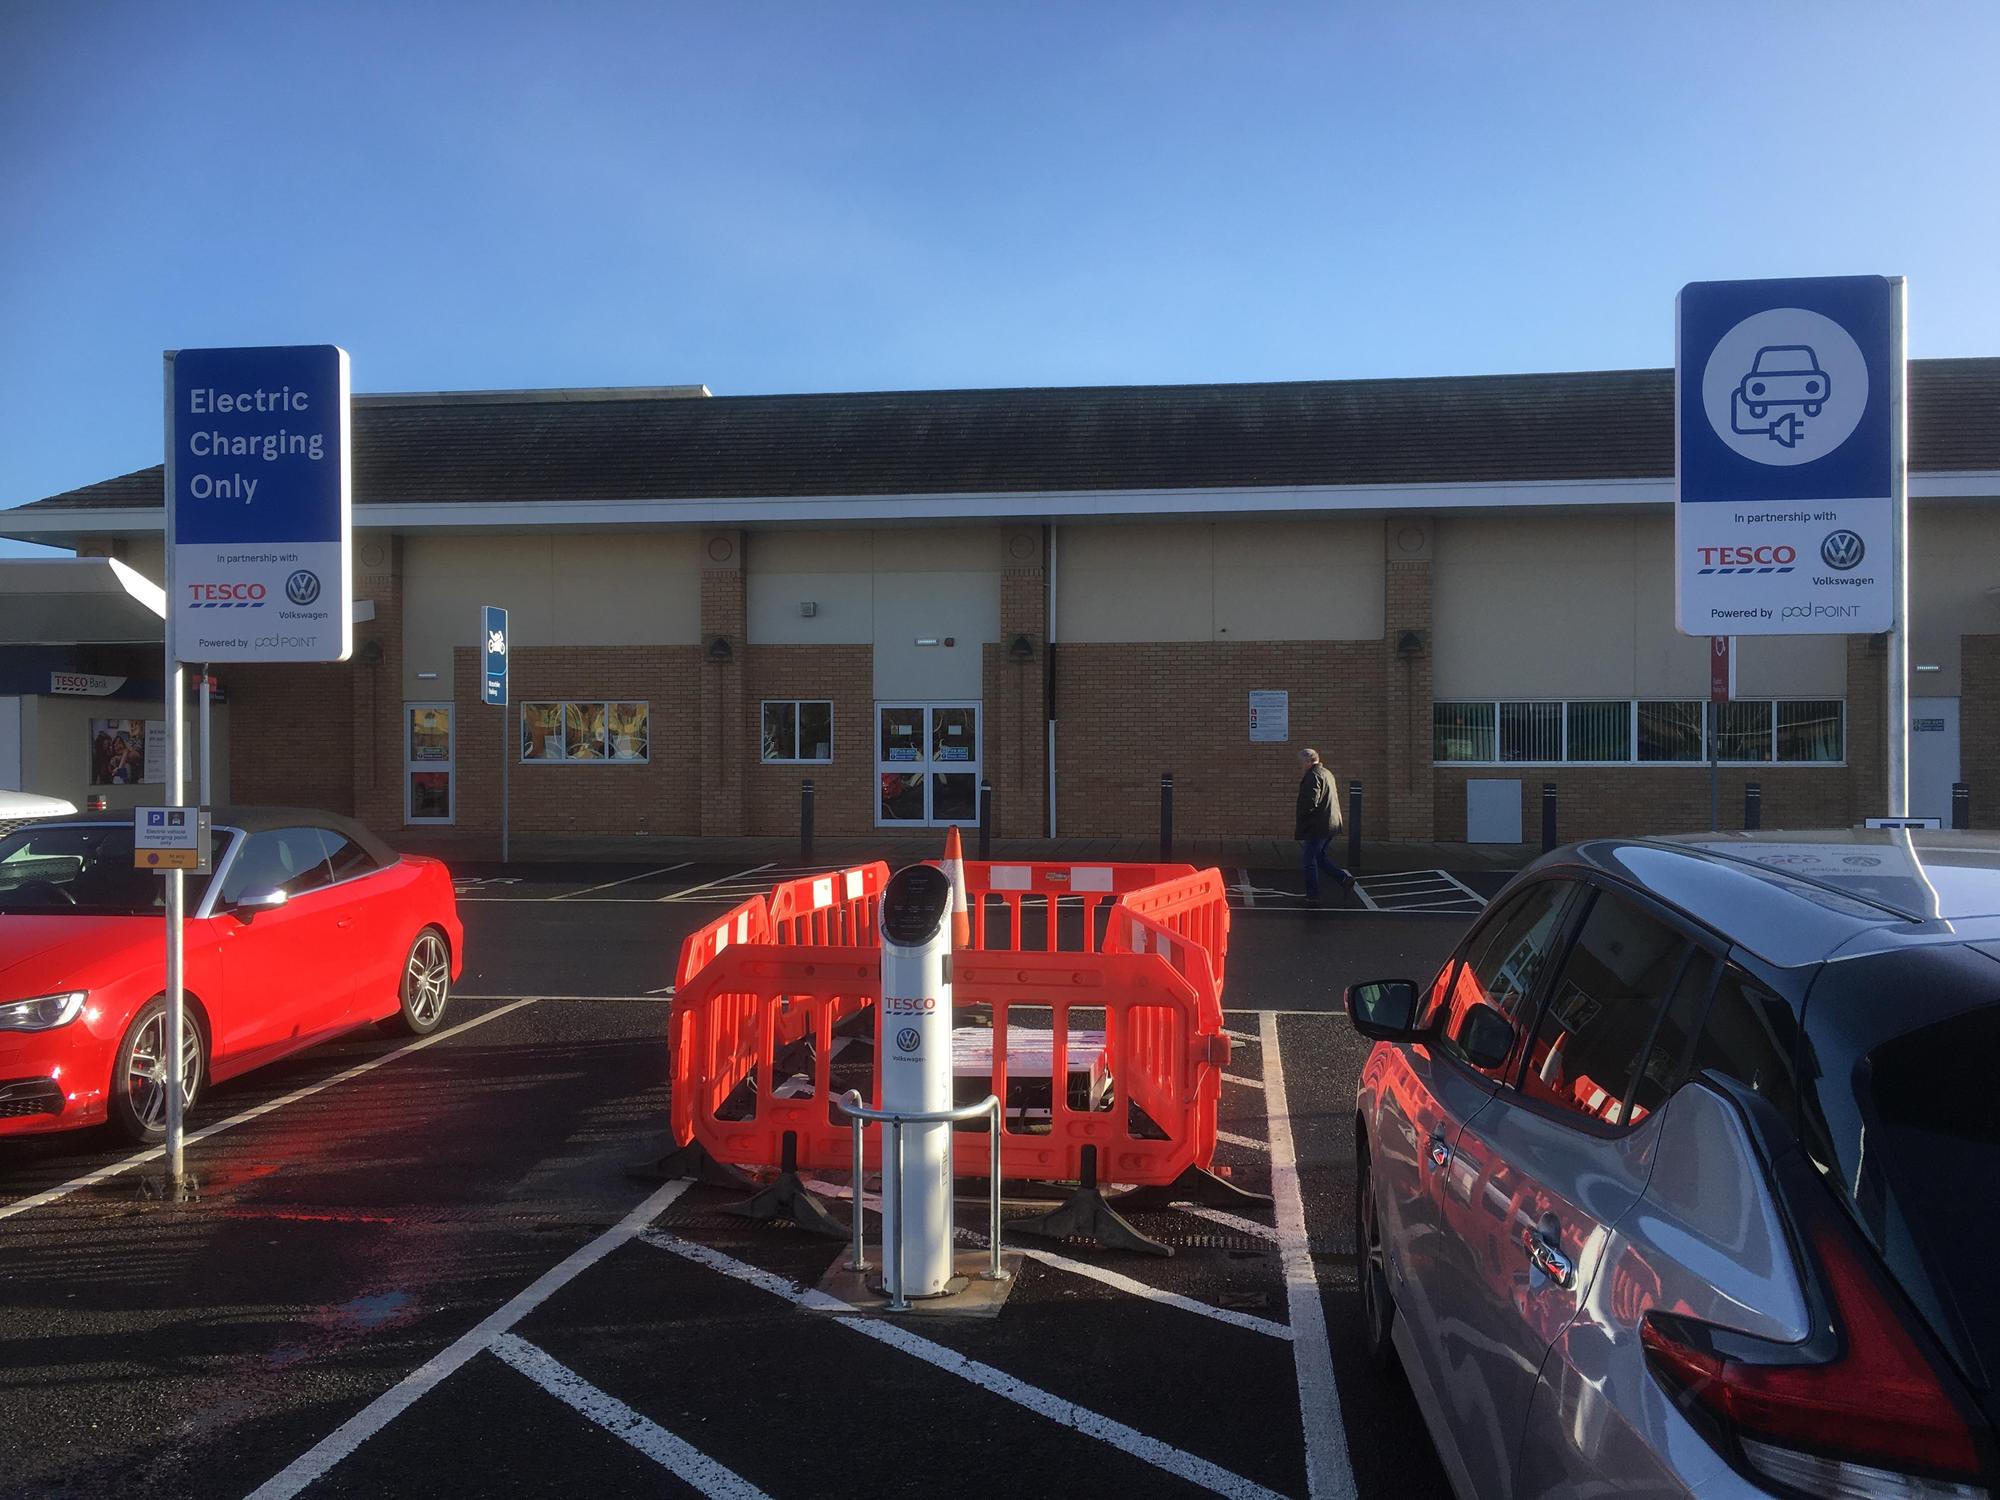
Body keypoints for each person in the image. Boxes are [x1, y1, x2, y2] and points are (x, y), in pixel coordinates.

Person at [1294, 747, 1351, 904]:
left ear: (1308, 761)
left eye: (1301, 763)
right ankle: (1344, 879)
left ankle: (1312, 894)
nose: (1301, 766)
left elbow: (1311, 801)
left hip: (1318, 825)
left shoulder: (1313, 776)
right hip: (1330, 823)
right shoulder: (1327, 773)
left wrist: (1303, 817)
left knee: (1309, 859)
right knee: (1319, 857)